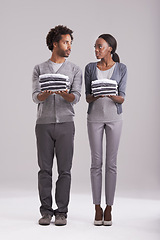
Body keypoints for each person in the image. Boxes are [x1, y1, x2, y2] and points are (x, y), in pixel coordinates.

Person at [32, 25, 82, 226]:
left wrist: (63, 93)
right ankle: (46, 211)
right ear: (55, 44)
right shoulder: (39, 69)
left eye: (70, 42)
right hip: (43, 124)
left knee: (65, 170)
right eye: (65, 42)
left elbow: (76, 97)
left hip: (66, 124)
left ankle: (61, 212)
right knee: (44, 170)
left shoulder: (75, 69)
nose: (69, 46)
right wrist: (45, 94)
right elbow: (35, 97)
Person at [85, 34, 127, 226]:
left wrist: (111, 94)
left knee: (111, 164)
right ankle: (97, 207)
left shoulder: (122, 68)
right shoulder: (90, 68)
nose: (96, 50)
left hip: (114, 118)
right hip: (94, 118)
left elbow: (122, 98)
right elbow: (87, 97)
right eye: (95, 47)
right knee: (96, 162)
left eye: (100, 46)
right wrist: (96, 94)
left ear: (110, 48)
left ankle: (109, 207)